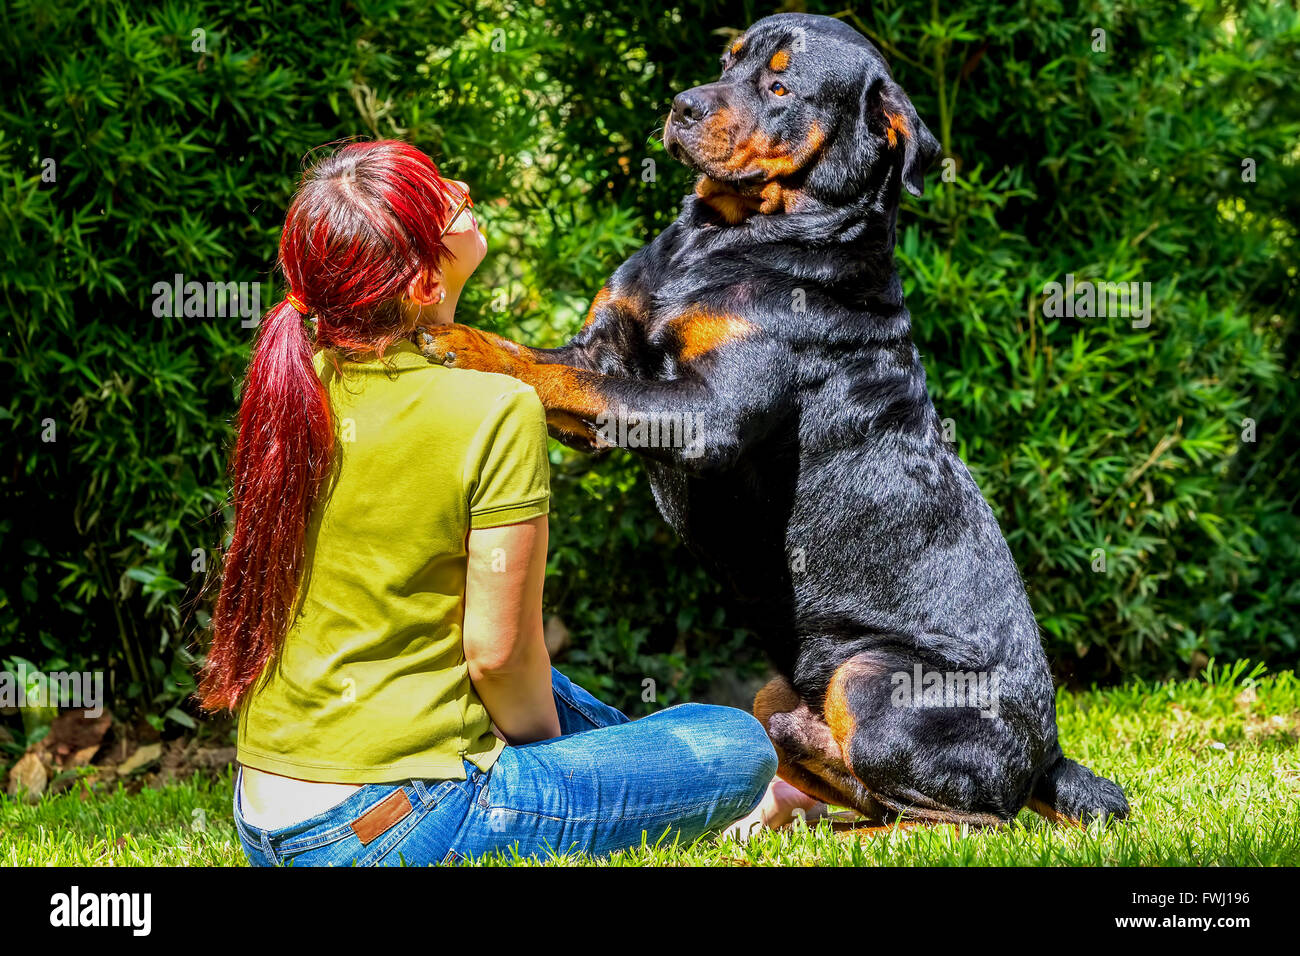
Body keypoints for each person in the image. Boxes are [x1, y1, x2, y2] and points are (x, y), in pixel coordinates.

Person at [199, 139, 796, 866]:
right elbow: (497, 659)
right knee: (733, 742)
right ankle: (683, 802)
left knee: (560, 690)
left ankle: (647, 784)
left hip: (268, 822)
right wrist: (569, 779)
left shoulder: (293, 385)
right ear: (422, 281)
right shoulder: (493, 408)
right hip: (395, 825)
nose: (461, 184)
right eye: (438, 196)